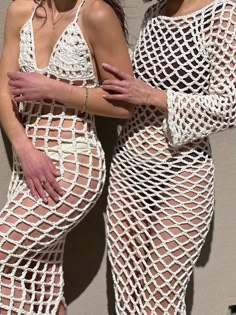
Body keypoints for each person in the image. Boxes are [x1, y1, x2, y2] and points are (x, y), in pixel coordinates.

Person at [101, 0, 236, 314]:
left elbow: (230, 105)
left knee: (158, 302)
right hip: (128, 171)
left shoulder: (223, 14)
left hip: (183, 174)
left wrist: (150, 96)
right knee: (129, 299)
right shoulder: (154, 13)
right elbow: (144, 74)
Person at [0, 0, 133, 314]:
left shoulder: (97, 14)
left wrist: (53, 88)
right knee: (37, 277)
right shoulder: (21, 10)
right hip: (28, 163)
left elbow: (124, 105)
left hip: (73, 163)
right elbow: (3, 92)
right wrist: (24, 148)